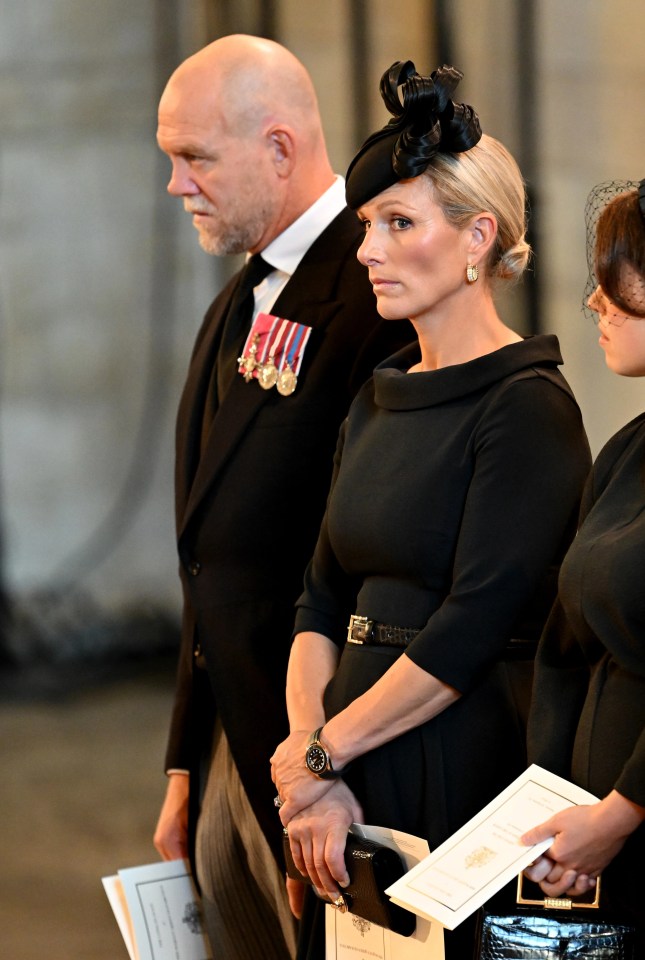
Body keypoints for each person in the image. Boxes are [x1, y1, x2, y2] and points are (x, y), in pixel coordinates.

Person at [269, 61, 592, 960]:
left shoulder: (526, 408)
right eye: (368, 226)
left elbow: (470, 629)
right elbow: (320, 595)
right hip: (347, 758)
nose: (366, 250)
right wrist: (309, 760)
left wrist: (322, 755)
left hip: (461, 764)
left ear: (476, 239)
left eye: (397, 224)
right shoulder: (378, 396)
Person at [152, 35, 412, 960]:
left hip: (324, 751)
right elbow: (208, 557)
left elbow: (378, 555)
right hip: (234, 731)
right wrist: (188, 757)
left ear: (278, 148)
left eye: (194, 158)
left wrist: (325, 763)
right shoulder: (235, 303)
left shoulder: (379, 287)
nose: (177, 185)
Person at [521, 178, 645, 946]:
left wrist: (621, 811)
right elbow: (560, 647)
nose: (593, 304)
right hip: (585, 841)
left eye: (615, 282)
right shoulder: (626, 452)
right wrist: (546, 809)